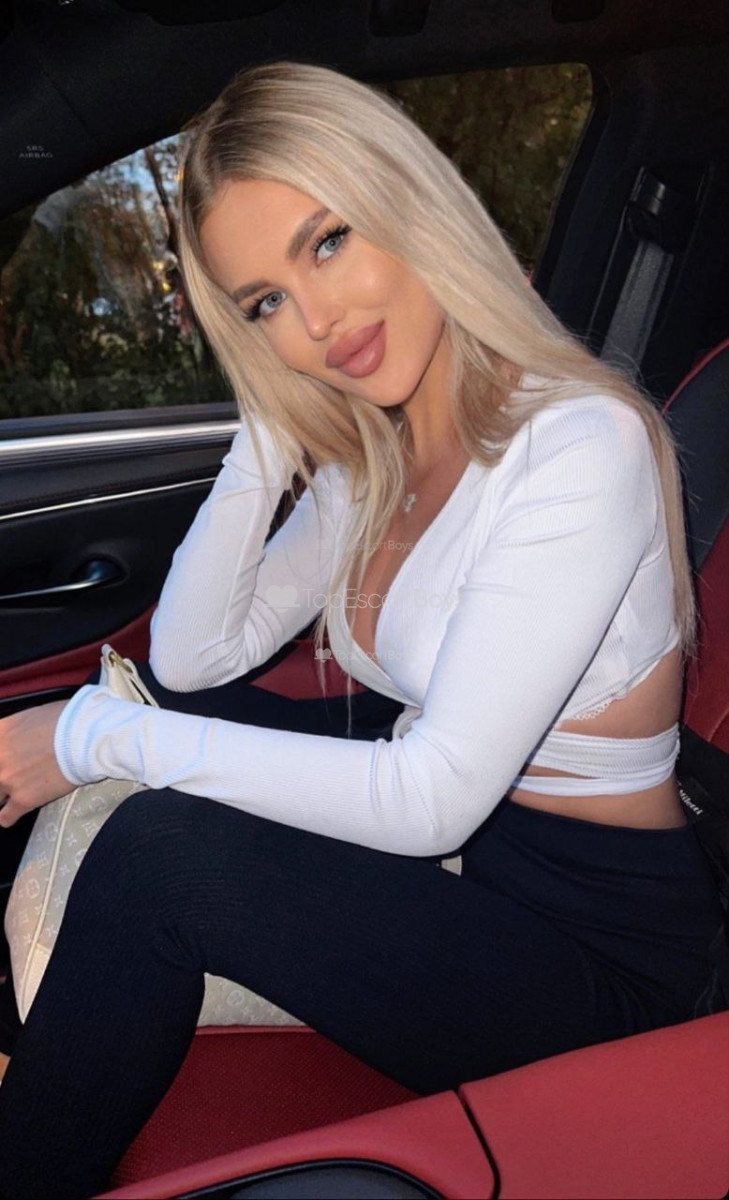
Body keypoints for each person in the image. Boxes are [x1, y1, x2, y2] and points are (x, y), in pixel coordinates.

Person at [0, 59, 724, 1200]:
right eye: (263, 303)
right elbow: (194, 656)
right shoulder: (375, 458)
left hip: (607, 958)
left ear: (410, 203)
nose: (317, 319)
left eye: (327, 242)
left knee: (160, 856)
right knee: (169, 707)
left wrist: (94, 738)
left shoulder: (578, 446)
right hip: (483, 874)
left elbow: (429, 799)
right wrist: (270, 421)